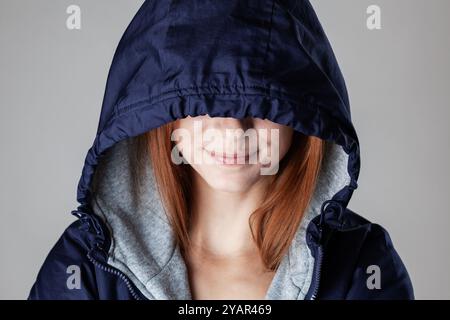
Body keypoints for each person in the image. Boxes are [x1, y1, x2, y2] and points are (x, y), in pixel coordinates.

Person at [28, 0, 414, 300]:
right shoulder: (84, 266)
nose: (233, 130)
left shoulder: (362, 265)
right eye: (202, 102)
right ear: (166, 117)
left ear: (301, 119)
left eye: (261, 104)